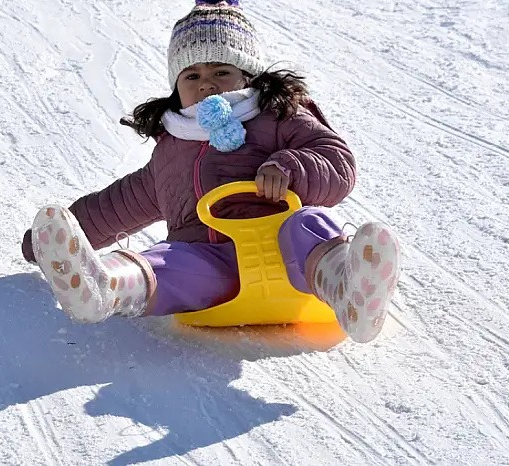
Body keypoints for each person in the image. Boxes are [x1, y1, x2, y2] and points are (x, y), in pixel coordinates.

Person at [20, 0, 401, 343]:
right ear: (176, 86)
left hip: (290, 261)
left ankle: (348, 289)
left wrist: (289, 166)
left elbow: (337, 161)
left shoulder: (277, 115)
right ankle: (103, 286)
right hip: (212, 271)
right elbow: (117, 205)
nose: (205, 84)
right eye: (191, 75)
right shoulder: (171, 147)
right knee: (170, 260)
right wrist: (48, 245)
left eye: (221, 71)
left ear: (247, 76)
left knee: (309, 225)